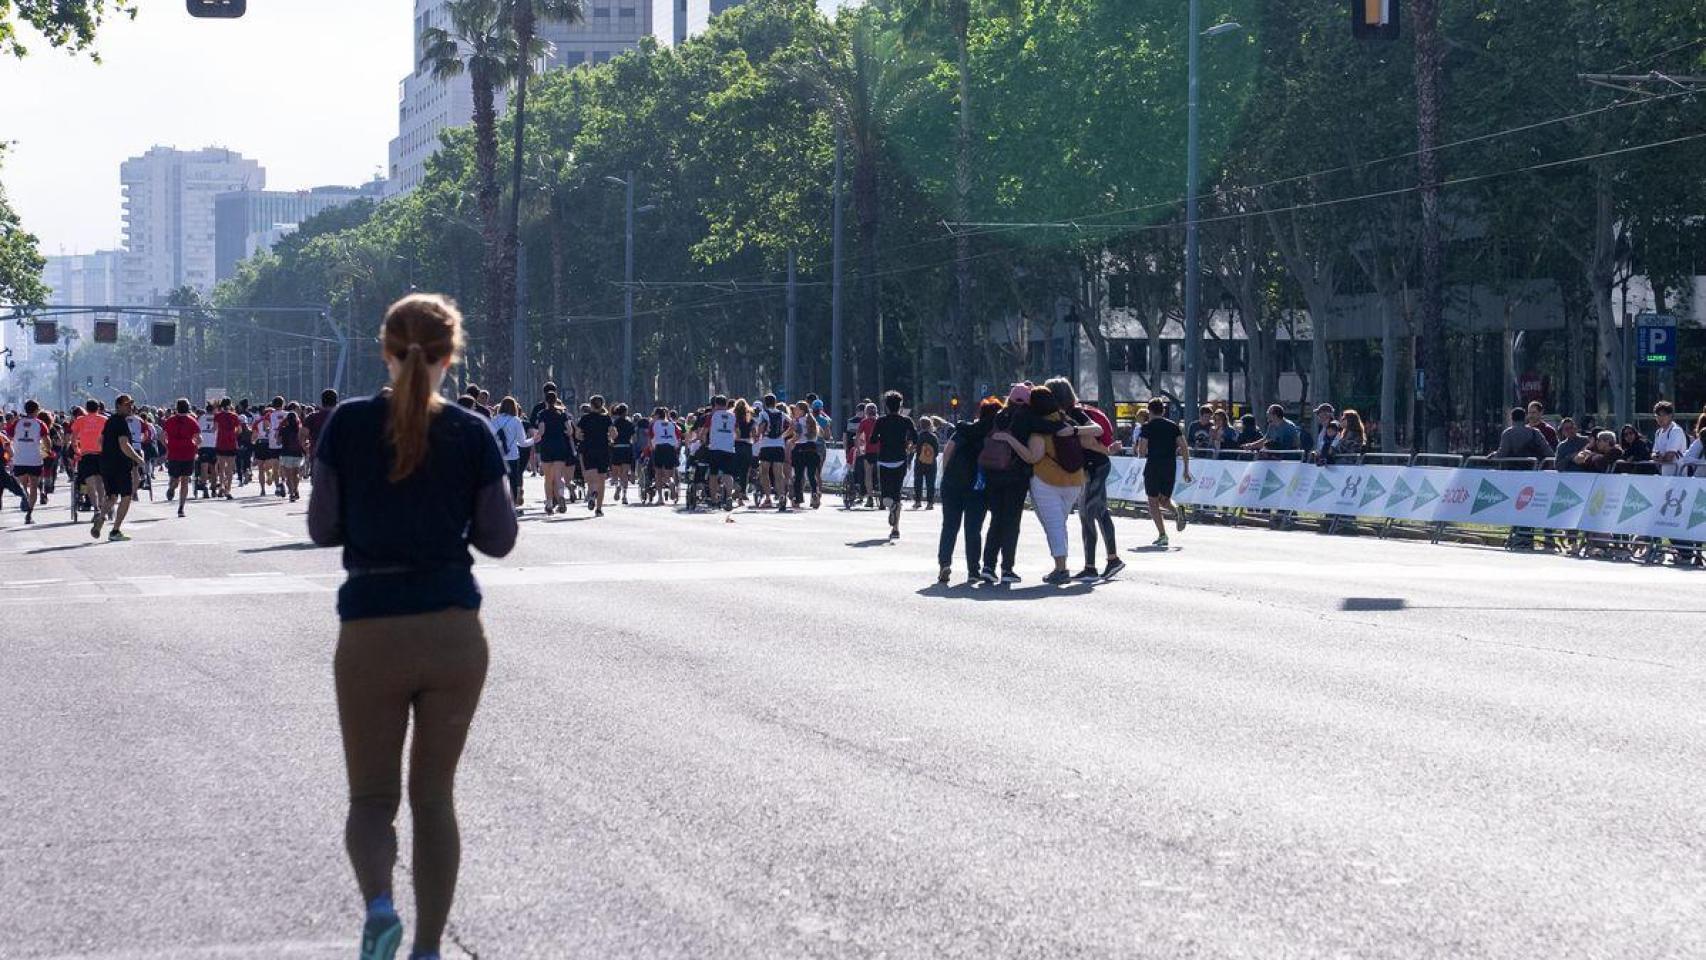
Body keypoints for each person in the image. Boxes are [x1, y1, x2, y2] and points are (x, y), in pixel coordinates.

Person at [306, 294, 515, 960]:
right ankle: (427, 949)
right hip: (453, 629)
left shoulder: (345, 425)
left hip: (371, 627)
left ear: (384, 350)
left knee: (372, 798)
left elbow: (321, 527)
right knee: (435, 798)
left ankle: (379, 906)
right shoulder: (472, 431)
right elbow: (500, 539)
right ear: (452, 355)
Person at [988, 385, 1090, 584]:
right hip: (1075, 480)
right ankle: (1060, 565)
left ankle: (1061, 569)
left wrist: (1010, 440)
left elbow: (1033, 457)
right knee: (1060, 524)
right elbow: (1093, 435)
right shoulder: (1066, 421)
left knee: (1054, 526)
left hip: (1047, 481)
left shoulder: (1038, 430)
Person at [1045, 378, 1123, 580]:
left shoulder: (1074, 413)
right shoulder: (1068, 413)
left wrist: (1074, 430)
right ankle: (1106, 561)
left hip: (1094, 467)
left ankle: (1096, 565)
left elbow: (1094, 431)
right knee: (1096, 512)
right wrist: (1105, 450)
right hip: (1095, 465)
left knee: (1089, 513)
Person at [937, 397, 998, 584]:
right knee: (973, 529)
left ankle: (945, 564)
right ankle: (973, 570)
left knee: (949, 526)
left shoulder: (963, 430)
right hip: (977, 487)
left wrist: (946, 477)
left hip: (953, 484)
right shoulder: (993, 435)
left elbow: (947, 452)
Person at [980, 386, 1034, 584]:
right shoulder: (1027, 418)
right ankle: (1007, 568)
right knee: (1012, 523)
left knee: (996, 521)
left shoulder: (998, 416)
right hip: (1016, 476)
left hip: (993, 474)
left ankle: (987, 565)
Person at [1138, 396, 1191, 547]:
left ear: (1149, 410)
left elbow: (1142, 451)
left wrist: (1141, 451)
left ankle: (1162, 535)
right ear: (1163, 410)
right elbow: (1184, 446)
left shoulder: (1147, 427)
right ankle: (1177, 511)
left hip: (1154, 465)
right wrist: (1186, 469)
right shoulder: (1173, 426)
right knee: (1164, 499)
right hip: (1170, 466)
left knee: (1153, 501)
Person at [93, 394, 144, 542]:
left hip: (106, 463)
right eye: (127, 405)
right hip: (120, 465)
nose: (130, 407)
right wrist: (138, 458)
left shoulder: (110, 421)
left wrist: (107, 453)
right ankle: (115, 530)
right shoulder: (121, 422)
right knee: (126, 496)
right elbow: (124, 444)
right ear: (119, 406)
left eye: (131, 405)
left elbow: (101, 440)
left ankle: (101, 518)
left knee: (111, 496)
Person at [870, 391, 918, 539]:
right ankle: (895, 529)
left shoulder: (881, 421)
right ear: (900, 405)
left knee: (886, 496)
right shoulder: (906, 421)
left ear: (886, 406)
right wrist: (909, 447)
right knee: (897, 493)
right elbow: (915, 438)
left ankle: (891, 506)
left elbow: (872, 440)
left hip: (884, 460)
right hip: (900, 460)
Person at [530, 390, 573, 514]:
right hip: (560, 446)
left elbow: (542, 431)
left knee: (548, 478)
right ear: (556, 399)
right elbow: (570, 430)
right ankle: (560, 496)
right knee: (558, 476)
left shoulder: (542, 413)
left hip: (547, 447)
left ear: (545, 401)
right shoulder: (562, 413)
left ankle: (549, 503)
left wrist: (535, 437)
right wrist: (562, 433)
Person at [5, 400, 46, 524]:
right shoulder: (40, 423)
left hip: (20, 459)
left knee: (24, 484)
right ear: (35, 410)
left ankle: (25, 496)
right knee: (34, 486)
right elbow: (47, 440)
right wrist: (47, 451)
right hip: (34, 460)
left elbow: (9, 436)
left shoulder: (17, 423)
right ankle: (29, 513)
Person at [162, 399, 201, 518]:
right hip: (188, 453)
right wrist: (196, 446)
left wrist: (167, 446)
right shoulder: (192, 421)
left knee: (175, 477)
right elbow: (198, 439)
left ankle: (172, 488)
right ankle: (181, 508)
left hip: (174, 453)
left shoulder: (170, 421)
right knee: (185, 480)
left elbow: (162, 437)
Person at [575, 395, 613, 516]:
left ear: (591, 405)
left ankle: (592, 493)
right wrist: (609, 438)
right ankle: (599, 508)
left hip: (588, 449)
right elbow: (613, 433)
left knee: (591, 477)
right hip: (602, 449)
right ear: (602, 405)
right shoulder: (606, 418)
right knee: (601, 480)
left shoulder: (585, 419)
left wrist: (582, 438)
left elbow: (577, 434)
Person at [755, 394, 790, 513]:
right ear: (775, 402)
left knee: (764, 472)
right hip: (779, 445)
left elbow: (761, 428)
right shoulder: (782, 414)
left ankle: (768, 498)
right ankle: (781, 496)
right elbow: (794, 425)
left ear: (765, 403)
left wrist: (757, 436)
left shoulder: (763, 414)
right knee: (778, 474)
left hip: (766, 445)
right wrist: (784, 434)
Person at [787, 401, 822, 509]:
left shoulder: (798, 421)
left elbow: (798, 434)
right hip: (812, 448)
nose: (795, 411)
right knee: (811, 475)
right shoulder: (811, 419)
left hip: (800, 448)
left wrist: (790, 441)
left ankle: (798, 499)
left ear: (802, 411)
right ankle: (815, 494)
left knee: (799, 475)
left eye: (797, 409)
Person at [649, 406, 681, 503]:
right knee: (669, 474)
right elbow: (678, 436)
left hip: (659, 448)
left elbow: (650, 438)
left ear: (657, 415)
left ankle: (660, 498)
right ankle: (671, 483)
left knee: (658, 474)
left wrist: (652, 448)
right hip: (670, 448)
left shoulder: (653, 424)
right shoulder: (672, 424)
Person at [278, 403, 307, 502]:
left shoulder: (284, 429)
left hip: (286, 453)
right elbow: (303, 441)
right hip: (297, 453)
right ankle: (296, 490)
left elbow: (279, 441)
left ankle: (291, 493)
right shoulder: (299, 429)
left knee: (288, 475)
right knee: (296, 474)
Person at [1650, 401, 1688, 476]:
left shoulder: (1675, 430)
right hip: (1665, 476)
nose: (1660, 418)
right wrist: (1655, 456)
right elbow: (1654, 453)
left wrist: (1659, 459)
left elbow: (1669, 457)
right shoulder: (1658, 432)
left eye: (1663, 415)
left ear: (1670, 416)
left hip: (1678, 476)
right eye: (1658, 415)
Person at [609, 403, 636, 504]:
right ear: (626, 412)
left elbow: (612, 436)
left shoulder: (614, 423)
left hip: (616, 448)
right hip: (626, 448)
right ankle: (624, 495)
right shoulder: (630, 424)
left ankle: (618, 486)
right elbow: (634, 438)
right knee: (625, 473)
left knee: (616, 472)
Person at [912, 416, 940, 510]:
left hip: (919, 462)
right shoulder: (933, 436)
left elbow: (915, 449)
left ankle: (917, 502)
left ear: (920, 425)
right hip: (931, 463)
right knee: (930, 483)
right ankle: (930, 503)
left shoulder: (918, 436)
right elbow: (936, 450)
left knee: (918, 482)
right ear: (930, 425)